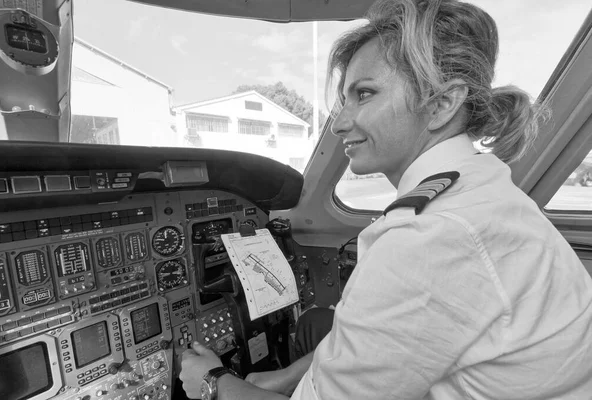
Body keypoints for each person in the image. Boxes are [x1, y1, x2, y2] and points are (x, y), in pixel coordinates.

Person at [179, 0, 592, 398]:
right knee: (319, 323)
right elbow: (395, 340)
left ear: (443, 103)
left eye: (364, 94)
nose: (339, 124)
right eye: (345, 99)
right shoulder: (480, 185)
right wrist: (283, 379)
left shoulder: (426, 237)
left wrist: (212, 382)